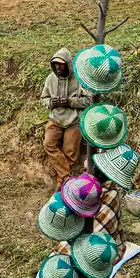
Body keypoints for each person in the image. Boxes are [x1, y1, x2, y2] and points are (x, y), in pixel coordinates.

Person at [39, 48, 91, 187]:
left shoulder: (79, 79)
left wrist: (70, 101)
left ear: (68, 64)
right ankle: (65, 179)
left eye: (61, 64)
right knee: (48, 144)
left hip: (74, 121)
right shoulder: (50, 78)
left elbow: (88, 101)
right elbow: (44, 98)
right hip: (55, 119)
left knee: (70, 152)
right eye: (56, 64)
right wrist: (51, 102)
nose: (58, 67)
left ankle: (61, 182)